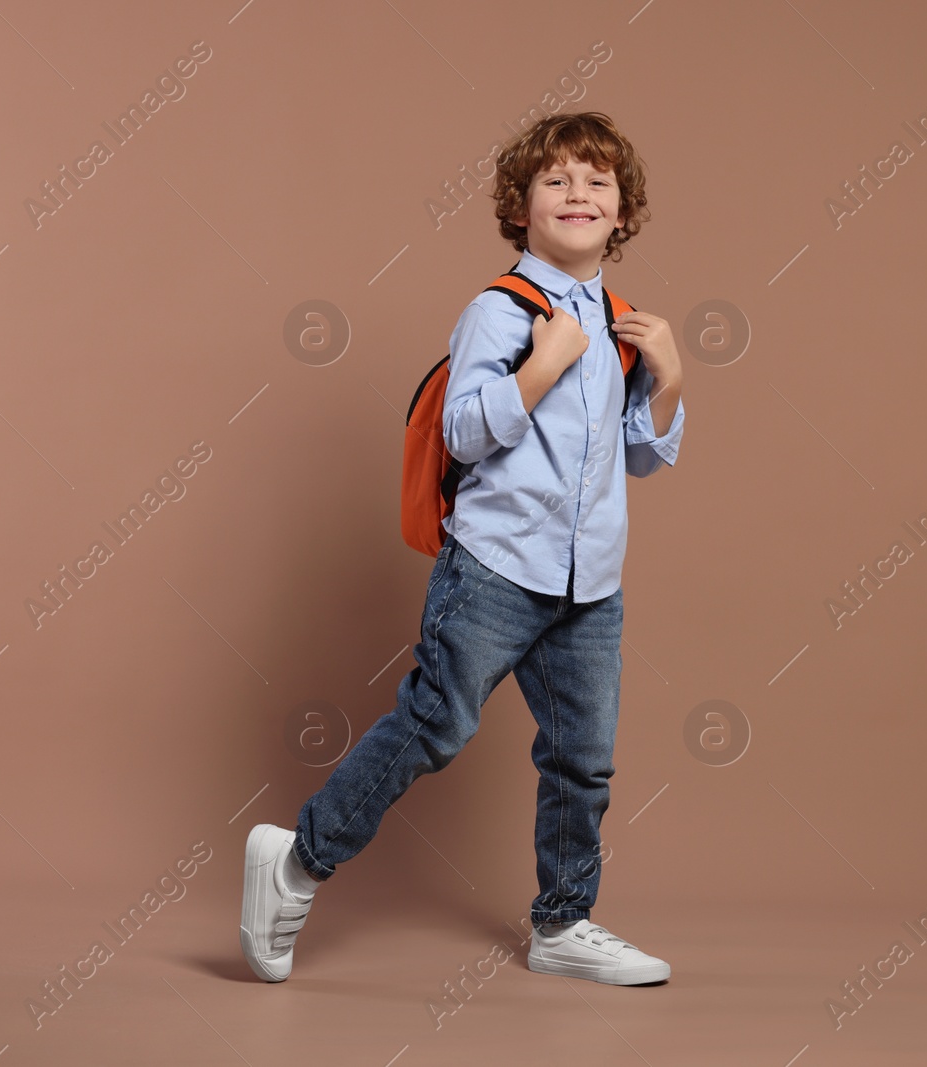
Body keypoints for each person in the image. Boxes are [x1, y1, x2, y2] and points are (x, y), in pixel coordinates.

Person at [241, 111, 685, 986]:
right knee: (436, 722)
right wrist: (541, 366)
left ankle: (562, 922)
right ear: (519, 210)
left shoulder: (625, 323)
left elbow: (641, 455)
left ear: (623, 213)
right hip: (495, 568)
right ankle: (297, 859)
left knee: (581, 758)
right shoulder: (500, 311)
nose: (577, 194)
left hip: (589, 582)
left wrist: (671, 377)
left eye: (597, 182)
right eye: (555, 180)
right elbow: (466, 430)